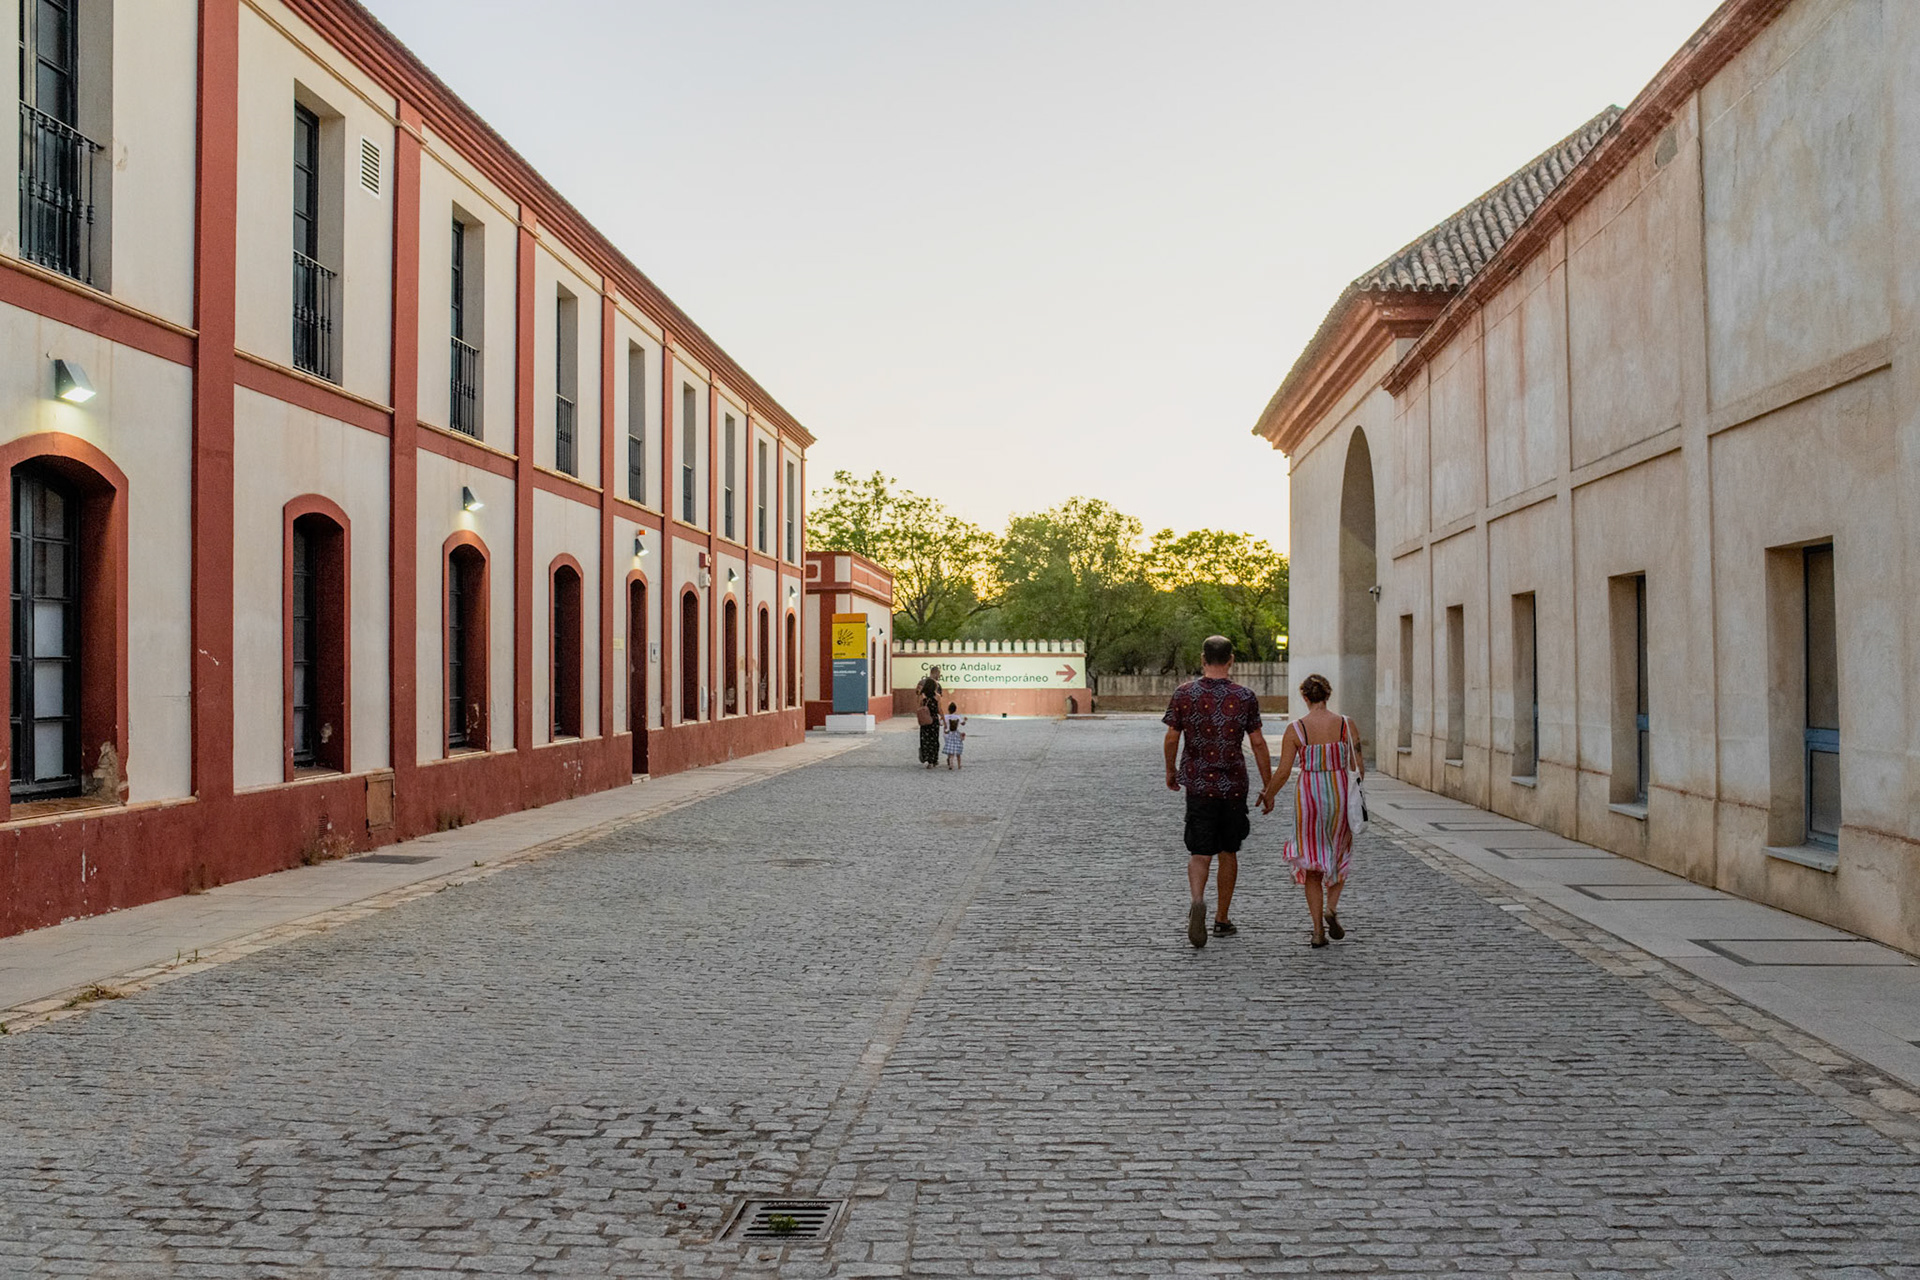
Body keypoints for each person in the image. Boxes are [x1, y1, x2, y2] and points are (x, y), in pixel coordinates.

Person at [1163, 635, 1271, 949]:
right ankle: (1222, 918)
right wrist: (1269, 785)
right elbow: (1259, 743)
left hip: (1198, 783)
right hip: (1233, 785)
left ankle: (1197, 901)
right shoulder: (1245, 696)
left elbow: (1172, 737)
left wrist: (1172, 770)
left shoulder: (1184, 693)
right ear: (1231, 659)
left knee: (1199, 852)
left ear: (1203, 659)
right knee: (1228, 851)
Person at [1258, 673, 1363, 948]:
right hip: (1339, 794)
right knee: (1340, 851)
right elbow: (1358, 768)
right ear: (1328, 695)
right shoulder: (1345, 725)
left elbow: (1282, 771)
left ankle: (1317, 930)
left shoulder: (1296, 729)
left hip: (1309, 798)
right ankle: (1332, 907)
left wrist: (1268, 795)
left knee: (1312, 862)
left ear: (1304, 697)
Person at [915, 666, 944, 769]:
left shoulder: (922, 689)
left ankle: (926, 758)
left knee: (925, 739)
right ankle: (934, 759)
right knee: (934, 740)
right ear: (936, 673)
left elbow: (919, 706)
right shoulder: (938, 694)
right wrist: (943, 719)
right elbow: (940, 709)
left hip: (925, 720)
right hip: (934, 720)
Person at [942, 703, 967, 770]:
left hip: (946, 734)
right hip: (955, 734)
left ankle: (949, 758)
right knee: (954, 748)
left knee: (948, 746)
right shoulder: (957, 717)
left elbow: (940, 723)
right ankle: (956, 764)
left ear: (948, 709)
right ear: (955, 709)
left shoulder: (945, 716)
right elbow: (963, 723)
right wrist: (965, 720)